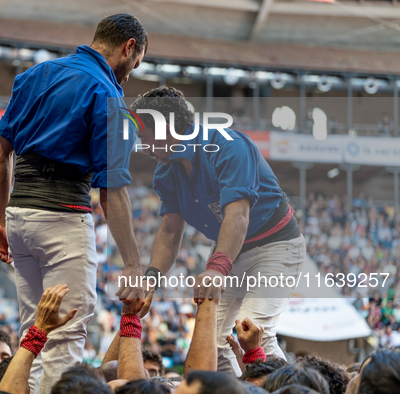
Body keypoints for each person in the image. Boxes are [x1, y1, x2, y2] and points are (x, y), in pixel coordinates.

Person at [0, 13, 148, 394]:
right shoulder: (107, 94)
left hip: (18, 216)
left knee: (35, 330)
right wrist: (133, 264)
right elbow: (112, 189)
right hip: (63, 219)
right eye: (136, 63)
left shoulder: (33, 75)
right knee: (64, 338)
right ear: (128, 48)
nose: (130, 74)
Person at [130, 87, 306, 376]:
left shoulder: (227, 145)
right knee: (212, 340)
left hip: (275, 243)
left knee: (253, 330)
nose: (142, 146)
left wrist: (217, 269)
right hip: (231, 248)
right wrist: (150, 279)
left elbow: (238, 216)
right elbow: (170, 230)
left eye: (145, 138)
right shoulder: (166, 171)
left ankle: (295, 387)